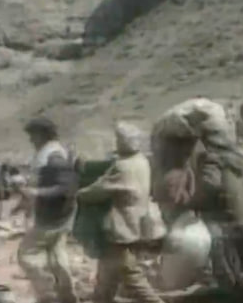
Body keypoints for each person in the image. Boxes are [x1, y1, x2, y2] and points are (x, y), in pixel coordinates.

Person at [78, 122, 165, 303]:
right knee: (106, 277)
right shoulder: (142, 161)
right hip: (137, 224)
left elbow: (100, 190)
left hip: (122, 228)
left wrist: (79, 194)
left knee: (132, 277)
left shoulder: (122, 166)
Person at [17, 117, 80, 303]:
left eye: (33, 135)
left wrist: (36, 193)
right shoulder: (53, 153)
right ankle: (66, 295)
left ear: (43, 134)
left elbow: (66, 187)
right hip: (60, 215)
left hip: (51, 217)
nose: (31, 139)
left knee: (27, 255)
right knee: (57, 256)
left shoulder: (53, 157)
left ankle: (48, 294)